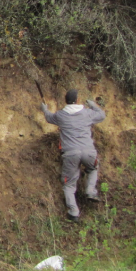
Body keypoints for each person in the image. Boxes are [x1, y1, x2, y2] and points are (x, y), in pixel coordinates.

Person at [42, 89, 106, 222]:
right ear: (77, 100)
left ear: (65, 101)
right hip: (89, 152)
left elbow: (49, 117)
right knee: (93, 168)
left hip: (71, 154)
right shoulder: (87, 113)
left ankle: (74, 212)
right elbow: (101, 115)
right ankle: (90, 190)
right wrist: (92, 104)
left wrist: (44, 109)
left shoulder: (60, 115)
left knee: (69, 185)